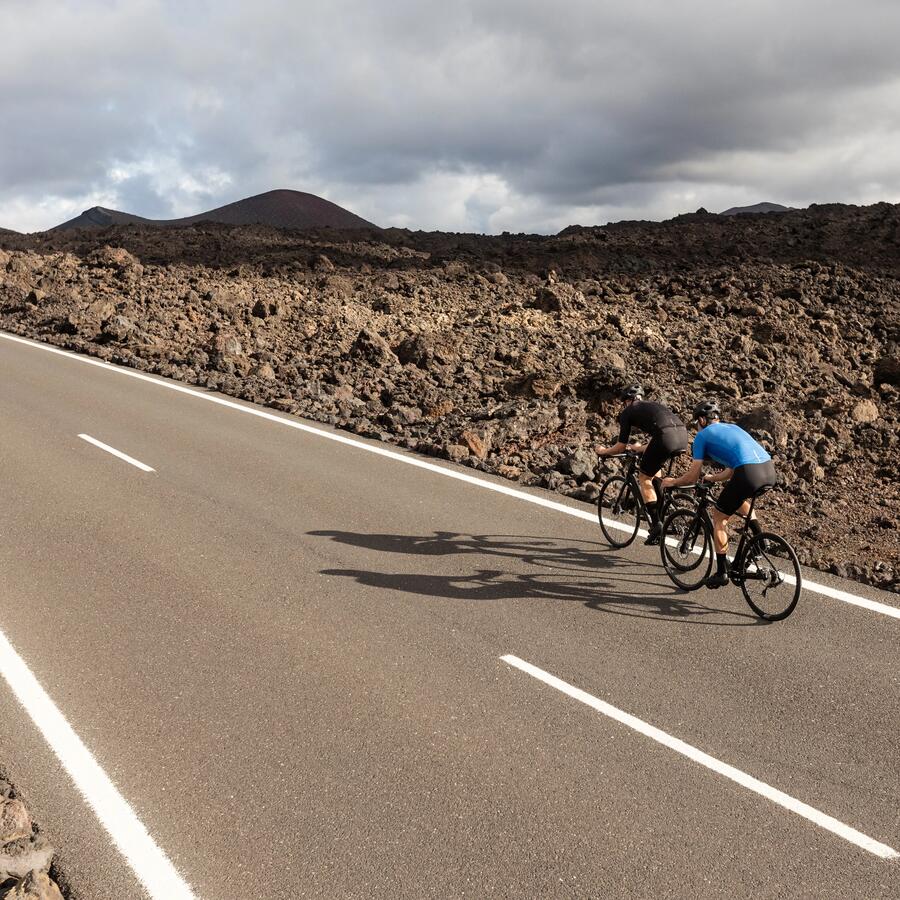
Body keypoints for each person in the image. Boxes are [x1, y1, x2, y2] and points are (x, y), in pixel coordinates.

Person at [662, 399, 777, 588]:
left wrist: (673, 481)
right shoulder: (732, 427)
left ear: (701, 419)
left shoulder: (702, 436)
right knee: (736, 498)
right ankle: (759, 538)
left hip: (747, 473)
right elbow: (731, 471)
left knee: (718, 517)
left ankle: (722, 572)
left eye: (696, 424)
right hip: (768, 471)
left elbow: (692, 476)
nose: (697, 428)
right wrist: (711, 479)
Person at [596, 384, 689, 544]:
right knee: (655, 475)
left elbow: (620, 446)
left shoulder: (628, 412)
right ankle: (663, 519)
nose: (624, 406)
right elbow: (660, 435)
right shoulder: (653, 406)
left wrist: (603, 451)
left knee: (644, 477)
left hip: (665, 438)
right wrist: (640, 448)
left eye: (624, 403)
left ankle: (656, 525)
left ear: (628, 401)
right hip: (682, 436)